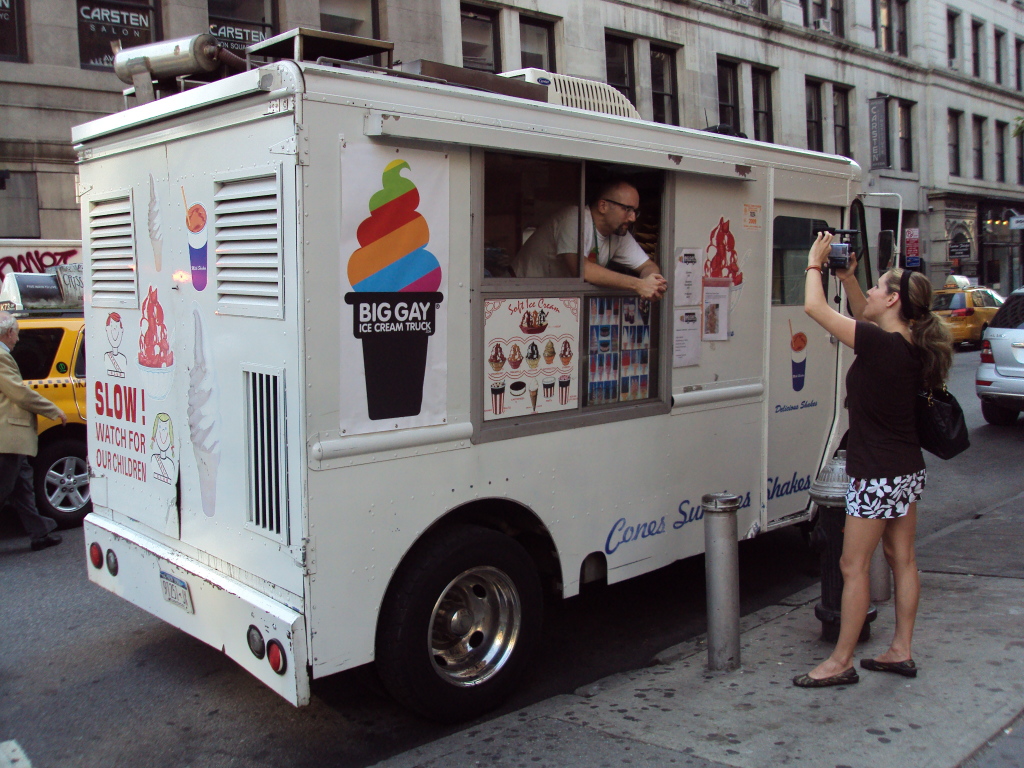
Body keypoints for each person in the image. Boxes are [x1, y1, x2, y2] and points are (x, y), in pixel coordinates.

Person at [793, 232, 953, 688]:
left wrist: (813, 262)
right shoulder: (908, 342)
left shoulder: (881, 345)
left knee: (853, 565)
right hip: (905, 468)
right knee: (903, 558)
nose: (873, 292)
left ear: (894, 299)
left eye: (880, 287)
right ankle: (901, 649)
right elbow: (864, 312)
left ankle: (840, 661)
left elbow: (814, 308)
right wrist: (848, 278)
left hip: (877, 472)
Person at [511, 180, 668, 300]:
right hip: (517, 292)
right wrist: (638, 285)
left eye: (635, 211)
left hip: (553, 297)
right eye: (627, 209)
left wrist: (651, 282)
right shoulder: (575, 218)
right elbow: (581, 269)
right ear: (603, 206)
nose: (633, 218)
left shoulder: (619, 232)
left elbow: (648, 266)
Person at [0, 311, 68, 551]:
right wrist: (52, 409)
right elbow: (19, 393)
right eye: (17, 334)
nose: (18, 339)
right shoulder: (2, 357)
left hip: (14, 438)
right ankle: (41, 533)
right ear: (9, 332)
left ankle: (40, 533)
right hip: (8, 435)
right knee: (5, 488)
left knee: (22, 488)